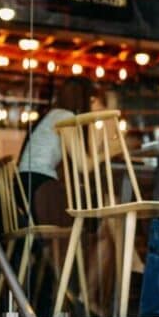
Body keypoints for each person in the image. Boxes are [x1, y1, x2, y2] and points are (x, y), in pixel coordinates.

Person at [18, 77, 104, 218]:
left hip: (25, 185)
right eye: (92, 100)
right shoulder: (65, 117)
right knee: (82, 211)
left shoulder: (53, 115)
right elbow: (83, 165)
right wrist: (113, 149)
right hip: (38, 188)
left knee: (78, 206)